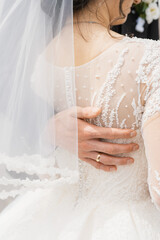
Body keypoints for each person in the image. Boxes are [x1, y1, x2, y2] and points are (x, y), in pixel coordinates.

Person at [0, 0, 160, 239]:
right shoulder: (149, 60)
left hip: (54, 216)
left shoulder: (39, 61)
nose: (137, 0)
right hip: (127, 220)